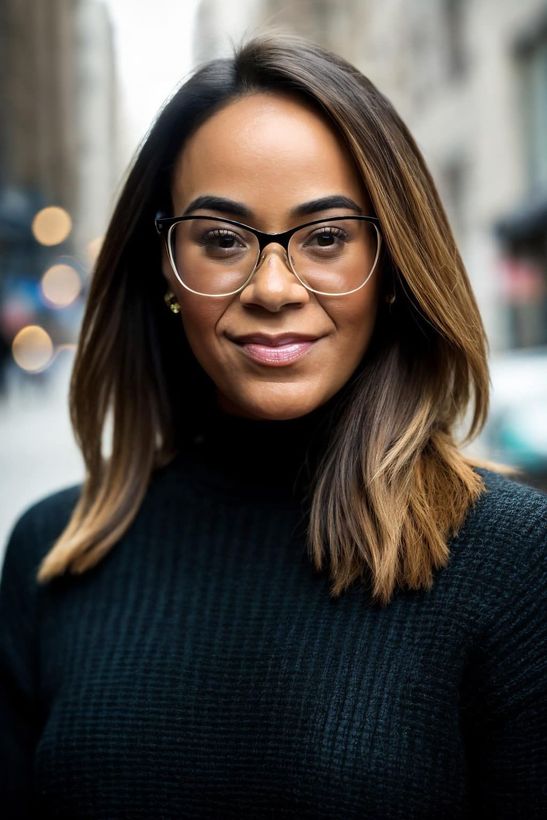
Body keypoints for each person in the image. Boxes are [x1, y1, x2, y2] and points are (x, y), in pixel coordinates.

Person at [1, 33, 545, 819]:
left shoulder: (515, 562)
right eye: (222, 240)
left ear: (392, 267)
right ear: (165, 269)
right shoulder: (51, 557)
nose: (273, 286)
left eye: (325, 238)